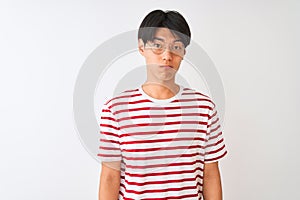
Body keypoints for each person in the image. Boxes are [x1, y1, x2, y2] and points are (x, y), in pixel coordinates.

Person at [98, 9, 227, 200]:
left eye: (176, 47)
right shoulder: (115, 110)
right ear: (142, 47)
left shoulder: (204, 109)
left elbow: (210, 174)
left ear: (183, 52)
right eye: (157, 46)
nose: (167, 56)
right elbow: (109, 177)